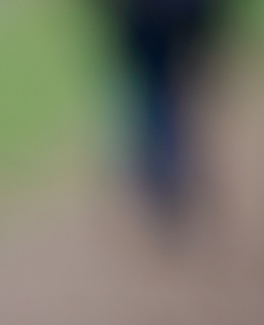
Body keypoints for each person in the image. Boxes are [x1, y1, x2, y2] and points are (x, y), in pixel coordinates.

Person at [97, 0, 232, 221]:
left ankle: (166, 166)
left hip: (147, 17)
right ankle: (171, 165)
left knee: (158, 87)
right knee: (172, 88)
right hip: (177, 16)